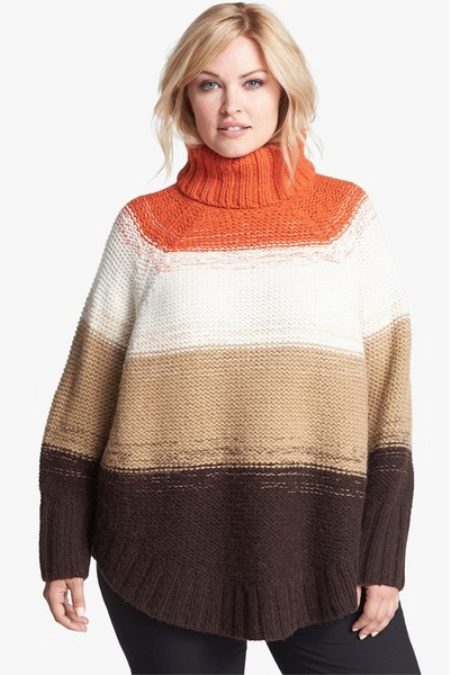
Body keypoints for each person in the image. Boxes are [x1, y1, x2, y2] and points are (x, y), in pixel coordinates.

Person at [39, 2, 422, 673]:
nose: (231, 106)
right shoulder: (146, 229)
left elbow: (388, 404)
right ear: (185, 96)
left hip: (320, 548)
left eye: (253, 82)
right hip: (160, 549)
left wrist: (384, 556)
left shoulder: (343, 221)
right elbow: (82, 403)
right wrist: (62, 546)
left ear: (285, 92)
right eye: (209, 84)